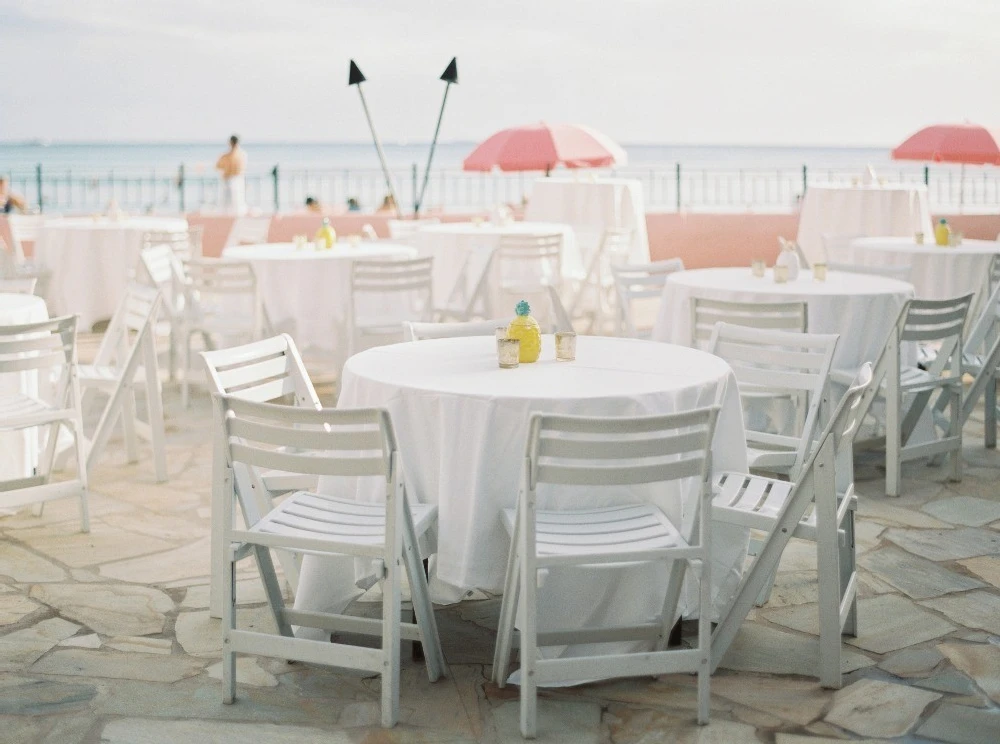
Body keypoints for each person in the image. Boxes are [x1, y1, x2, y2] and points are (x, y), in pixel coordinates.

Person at [215, 135, 248, 215]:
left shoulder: (229, 155)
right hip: (234, 179)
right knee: (234, 201)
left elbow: (218, 166)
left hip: (233, 179)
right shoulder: (241, 155)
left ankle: (229, 217)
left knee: (231, 201)